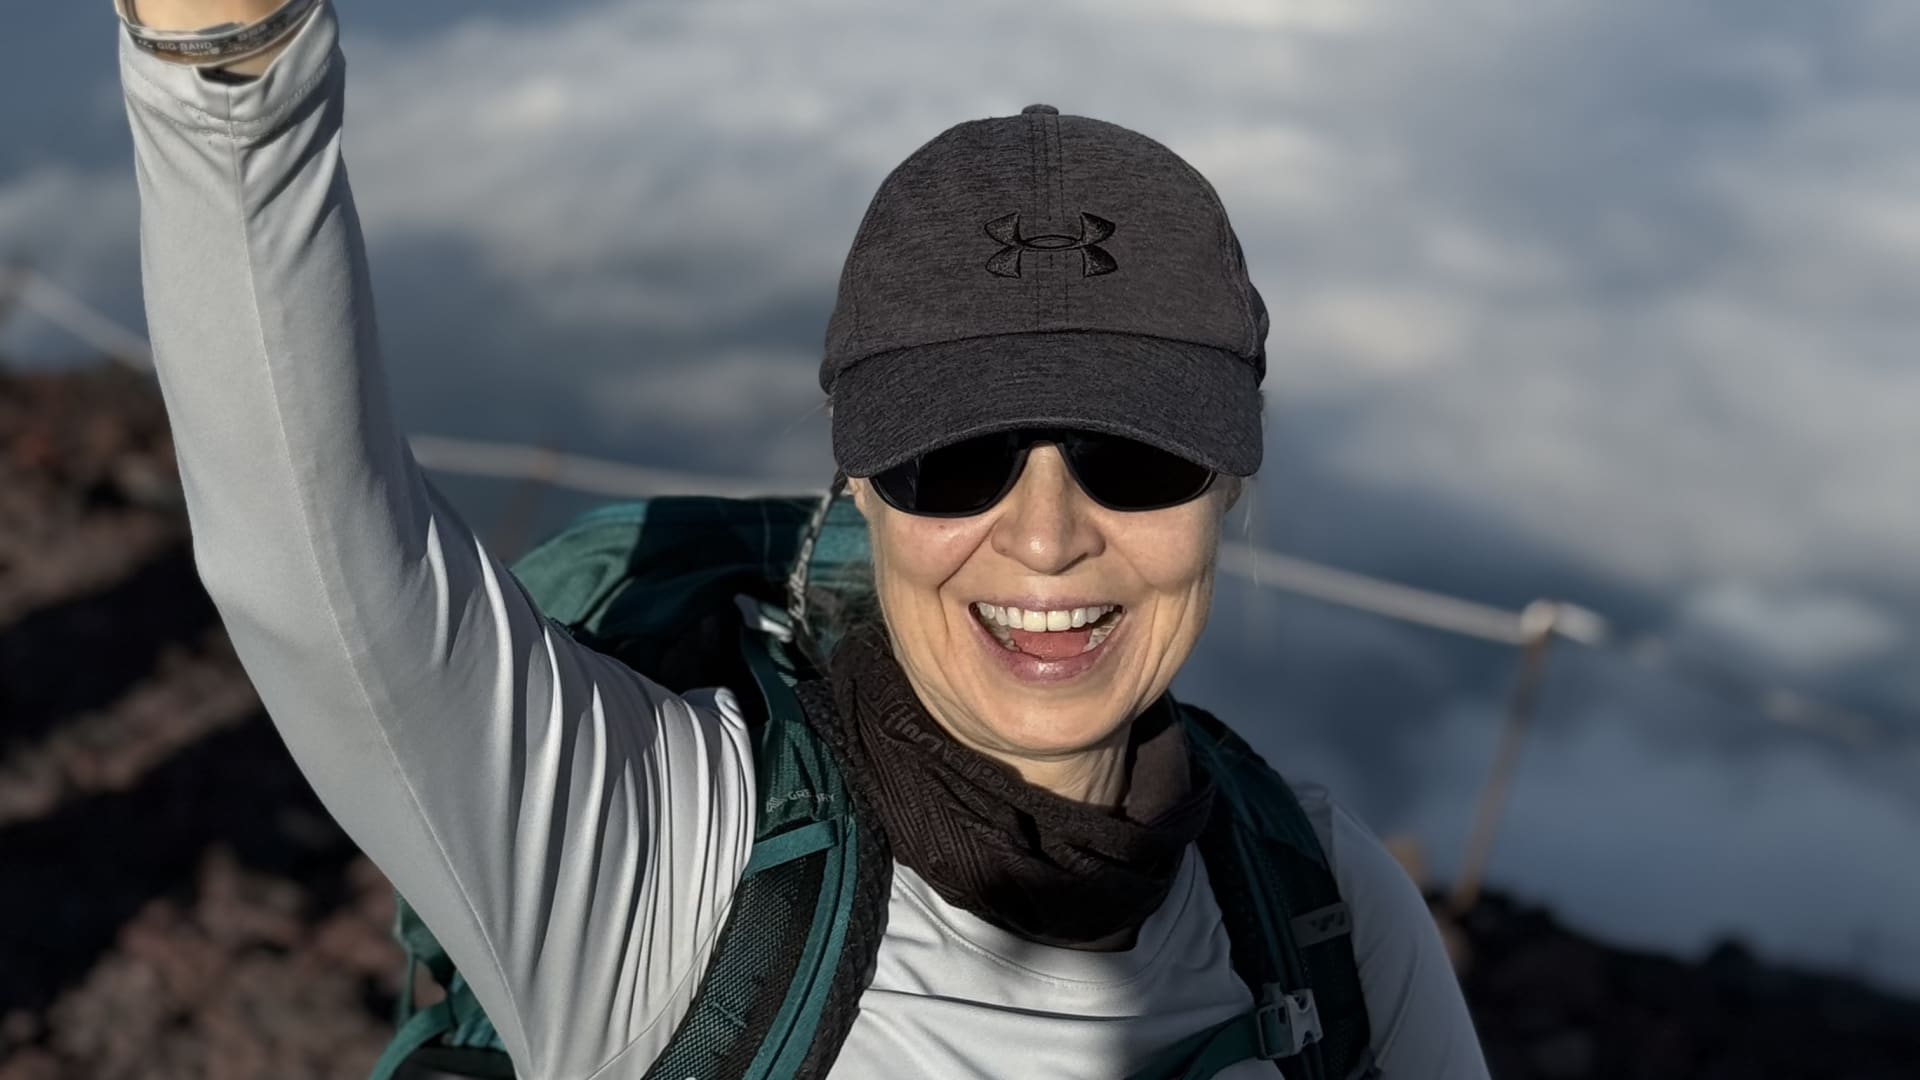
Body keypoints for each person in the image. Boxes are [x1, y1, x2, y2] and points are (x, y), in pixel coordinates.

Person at [114, 1, 1490, 1076]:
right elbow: (312, 563)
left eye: (1137, 455)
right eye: (955, 458)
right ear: (862, 489)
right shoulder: (667, 871)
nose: (1049, 534)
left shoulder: (1324, 912)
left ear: (1227, 490)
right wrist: (229, 64)